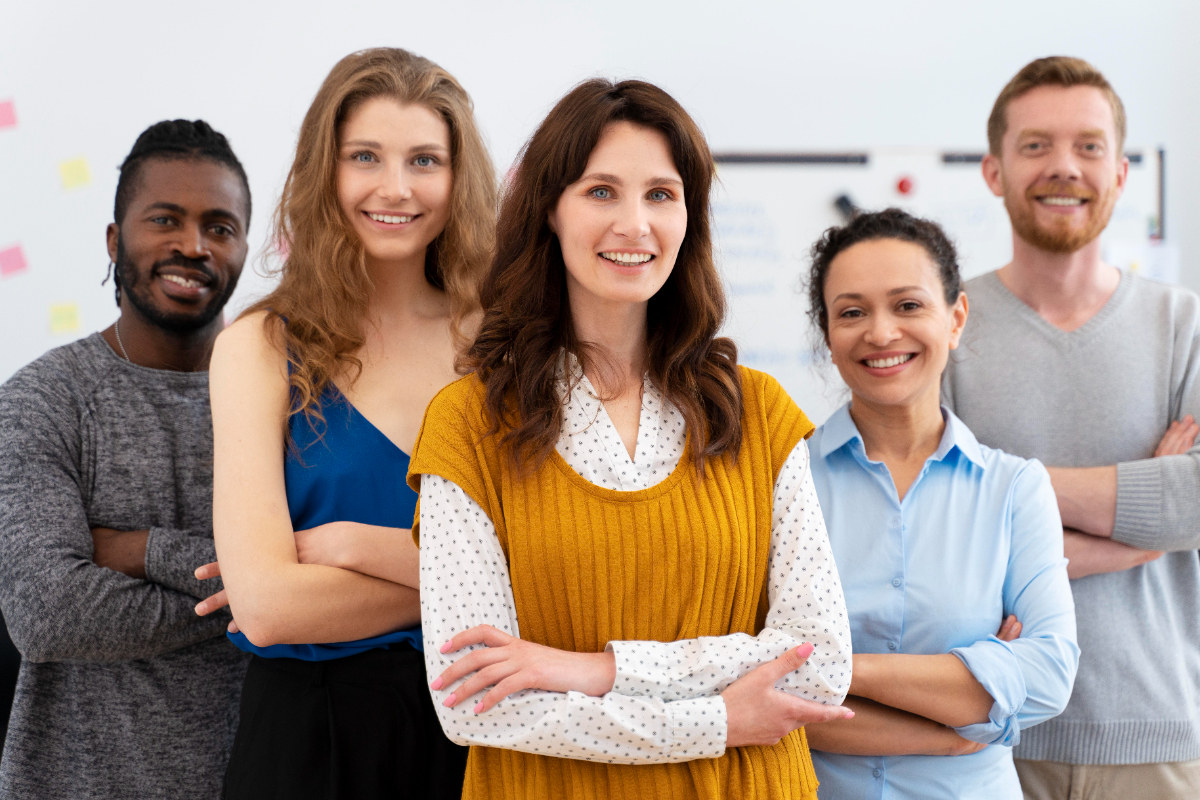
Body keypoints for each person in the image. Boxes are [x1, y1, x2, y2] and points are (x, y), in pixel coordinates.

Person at [409, 78, 854, 800]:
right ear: (549, 210)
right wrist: (717, 719)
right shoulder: (467, 423)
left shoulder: (761, 412)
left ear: (690, 217)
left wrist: (595, 670)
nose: (634, 224)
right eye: (601, 192)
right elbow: (473, 702)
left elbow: (818, 663)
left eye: (660, 194)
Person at [203, 48, 495, 799]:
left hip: (486, 728)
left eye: (424, 159)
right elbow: (267, 609)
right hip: (309, 743)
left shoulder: (505, 346)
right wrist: (486, 588)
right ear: (324, 171)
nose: (395, 187)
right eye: (365, 156)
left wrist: (349, 548)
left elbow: (561, 567)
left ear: (458, 180)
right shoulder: (258, 347)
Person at [942, 56, 1200, 799]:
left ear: (1121, 172)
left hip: (1155, 735)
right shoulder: (944, 325)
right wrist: (1137, 535)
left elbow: (1197, 501)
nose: (1063, 167)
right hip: (987, 731)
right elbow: (936, 525)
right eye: (1035, 146)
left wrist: (1007, 485)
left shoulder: (1181, 324)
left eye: (1088, 146)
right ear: (995, 171)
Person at [0, 119, 252, 799]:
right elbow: (47, 612)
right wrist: (262, 601)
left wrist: (137, 550)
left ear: (244, 247)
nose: (193, 246)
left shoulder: (289, 403)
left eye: (220, 227)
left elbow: (332, 593)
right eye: (165, 219)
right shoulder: (43, 399)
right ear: (115, 241)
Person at [799, 208, 1078, 799]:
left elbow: (1049, 675)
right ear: (828, 334)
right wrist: (959, 713)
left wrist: (842, 670)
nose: (880, 333)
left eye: (907, 305)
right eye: (852, 312)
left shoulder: (1014, 488)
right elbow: (754, 688)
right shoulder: (784, 481)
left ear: (955, 317)